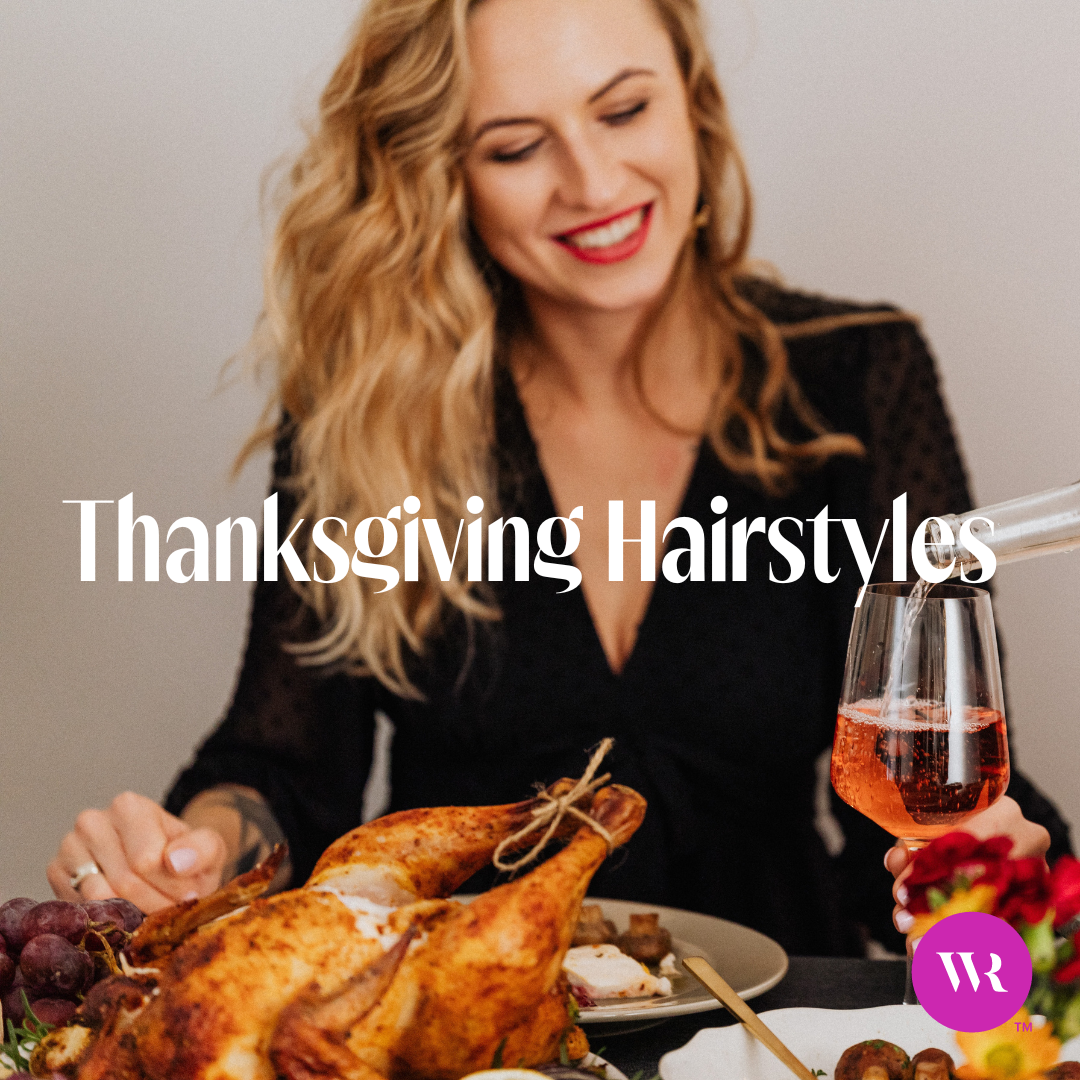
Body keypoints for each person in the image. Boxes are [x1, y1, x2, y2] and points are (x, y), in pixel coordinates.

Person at [48, 0, 1067, 955]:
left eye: (624, 109)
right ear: (444, 175)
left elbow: (955, 774)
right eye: (516, 145)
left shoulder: (859, 377)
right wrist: (196, 852)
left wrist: (978, 872)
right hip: (454, 1033)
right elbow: (280, 772)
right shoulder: (361, 417)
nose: (591, 181)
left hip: (780, 1031)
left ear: (693, 102)